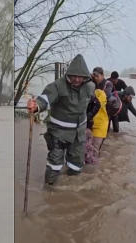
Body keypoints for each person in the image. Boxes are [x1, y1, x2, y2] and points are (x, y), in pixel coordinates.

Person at [27, 54, 95, 186]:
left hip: (78, 133)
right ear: (68, 74)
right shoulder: (57, 86)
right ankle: (49, 188)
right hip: (58, 132)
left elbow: (93, 102)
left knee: (76, 164)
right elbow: (45, 99)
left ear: (85, 77)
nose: (76, 79)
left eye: (80, 76)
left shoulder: (90, 87)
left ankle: (71, 187)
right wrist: (36, 106)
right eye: (73, 75)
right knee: (55, 163)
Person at [84, 93, 101, 164]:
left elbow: (97, 104)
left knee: (88, 146)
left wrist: (87, 117)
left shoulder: (88, 92)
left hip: (86, 126)